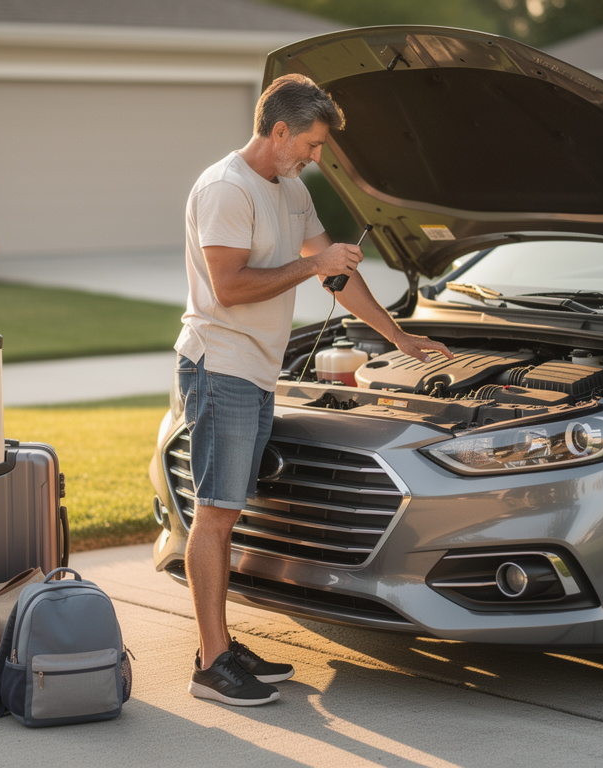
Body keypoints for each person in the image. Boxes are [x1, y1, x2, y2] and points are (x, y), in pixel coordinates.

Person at [176, 74, 452, 706]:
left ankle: (219, 646)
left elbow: (337, 273)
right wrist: (311, 266)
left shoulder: (291, 189)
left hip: (253, 369)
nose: (316, 157)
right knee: (217, 512)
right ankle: (212, 664)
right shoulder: (226, 188)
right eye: (312, 143)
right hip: (219, 365)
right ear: (279, 131)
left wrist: (399, 337)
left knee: (230, 508)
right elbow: (231, 287)